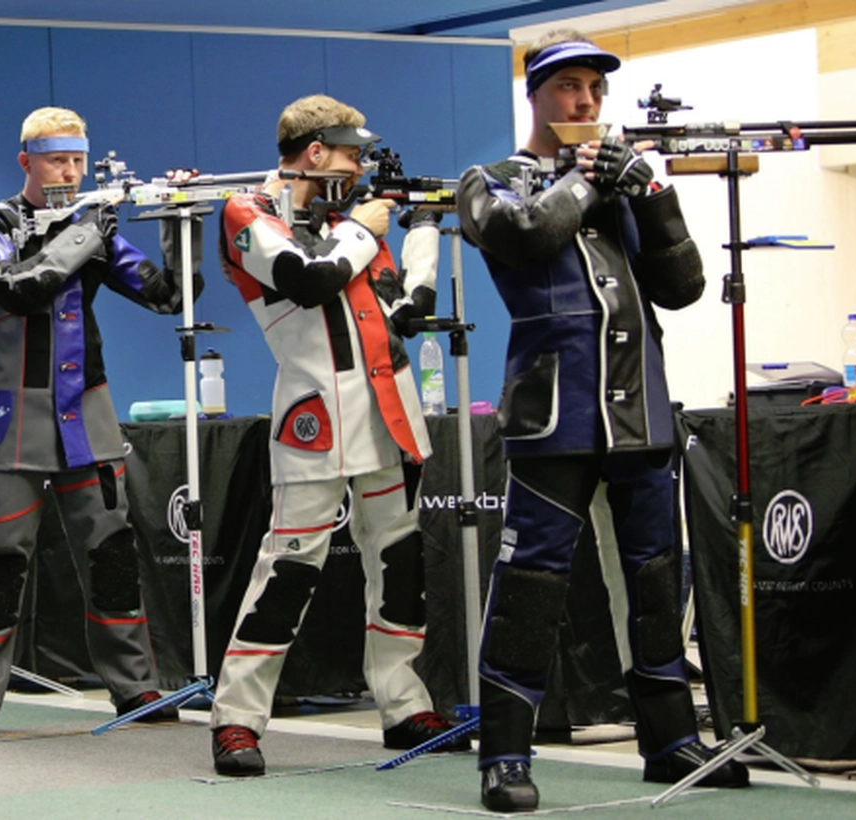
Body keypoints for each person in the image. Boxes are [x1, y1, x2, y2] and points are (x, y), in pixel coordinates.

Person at [456, 30, 750, 812]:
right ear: (534, 94)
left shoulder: (622, 182)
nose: (585, 101)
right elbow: (527, 235)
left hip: (641, 409)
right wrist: (589, 181)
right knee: (530, 586)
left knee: (657, 580)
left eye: (594, 89)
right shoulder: (488, 181)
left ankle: (671, 742)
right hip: (554, 415)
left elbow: (683, 287)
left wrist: (652, 194)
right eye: (568, 86)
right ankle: (505, 756)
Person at [208, 94, 463, 777]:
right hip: (315, 416)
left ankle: (404, 706)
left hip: (390, 411)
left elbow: (406, 313)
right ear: (316, 152)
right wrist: (362, 229)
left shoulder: (346, 222)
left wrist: (423, 232)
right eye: (352, 154)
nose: (360, 167)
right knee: (288, 570)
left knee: (400, 567)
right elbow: (308, 279)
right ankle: (237, 718)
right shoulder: (246, 212)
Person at [0, 106, 200, 735]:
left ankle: (136, 686)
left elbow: (168, 295)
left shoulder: (91, 226)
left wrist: (180, 221)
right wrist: (86, 232)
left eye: (79, 160)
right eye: (58, 159)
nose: (71, 171)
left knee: (111, 555)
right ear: (26, 161)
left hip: (85, 413)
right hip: (4, 420)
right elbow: (17, 288)